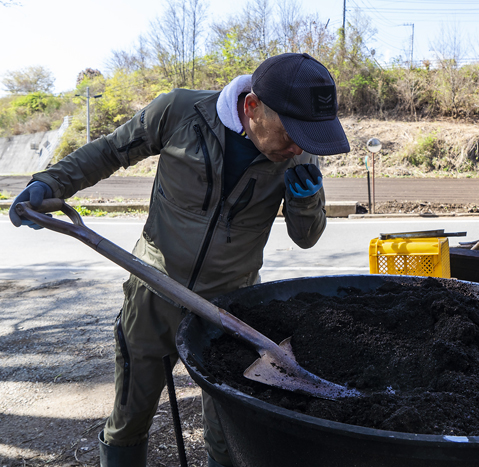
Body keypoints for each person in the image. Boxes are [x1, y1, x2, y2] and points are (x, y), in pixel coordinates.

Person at [10, 52, 350, 467]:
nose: (298, 146)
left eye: (307, 138)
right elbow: (108, 152)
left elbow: (307, 238)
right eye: (290, 133)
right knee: (130, 416)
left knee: (228, 434)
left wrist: (307, 200)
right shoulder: (180, 112)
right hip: (152, 289)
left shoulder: (300, 154)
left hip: (229, 308)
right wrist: (48, 182)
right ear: (252, 108)